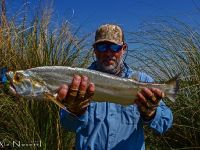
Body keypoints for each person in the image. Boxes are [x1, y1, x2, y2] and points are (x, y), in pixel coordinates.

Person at [56, 24, 173, 150]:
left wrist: (151, 114)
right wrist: (75, 112)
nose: (108, 52)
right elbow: (67, 124)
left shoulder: (143, 81)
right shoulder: (79, 81)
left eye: (114, 47)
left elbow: (165, 123)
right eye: (102, 47)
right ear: (95, 50)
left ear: (123, 49)